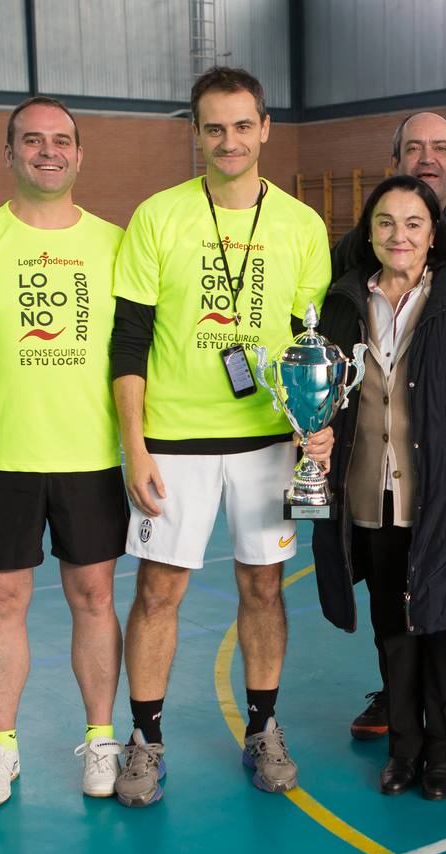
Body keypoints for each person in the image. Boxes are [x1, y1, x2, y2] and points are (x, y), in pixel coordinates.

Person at [108, 67, 331, 805]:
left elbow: (315, 349)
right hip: (174, 442)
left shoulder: (301, 225)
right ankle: (145, 741)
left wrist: (314, 431)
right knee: (159, 591)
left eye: (242, 125)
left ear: (265, 127)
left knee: (262, 587)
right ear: (196, 134)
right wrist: (134, 444)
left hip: (268, 440)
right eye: (214, 127)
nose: (229, 140)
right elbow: (129, 341)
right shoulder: (158, 217)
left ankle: (263, 728)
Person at [0, 96, 127, 808]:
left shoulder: (116, 245)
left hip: (91, 457)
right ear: (9, 153)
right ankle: (1, 747)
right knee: (3, 601)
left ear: (79, 154)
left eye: (61, 140)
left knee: (94, 597)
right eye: (31, 140)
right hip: (1, 460)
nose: (47, 151)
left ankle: (102, 739)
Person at [310, 175, 446, 800]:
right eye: (385, 223)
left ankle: (444, 752)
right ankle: (403, 750)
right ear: (369, 232)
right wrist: (317, 436)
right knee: (392, 629)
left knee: (442, 628)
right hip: (370, 498)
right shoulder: (345, 300)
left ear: (434, 235)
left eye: (413, 223)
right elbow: (323, 394)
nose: (398, 235)